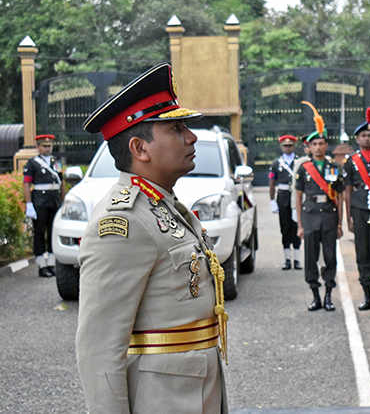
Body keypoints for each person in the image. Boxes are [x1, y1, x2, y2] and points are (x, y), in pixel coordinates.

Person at [75, 63, 228, 414]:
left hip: (194, 393)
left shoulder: (162, 204)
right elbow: (99, 347)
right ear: (139, 148)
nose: (191, 137)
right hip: (162, 400)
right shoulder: (122, 221)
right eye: (176, 128)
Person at [296, 102, 345, 311]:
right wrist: (300, 225)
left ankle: (328, 295)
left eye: (321, 143)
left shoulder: (334, 167)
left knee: (330, 257)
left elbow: (340, 197)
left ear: (326, 145)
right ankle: (315, 295)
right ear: (309, 147)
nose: (317, 147)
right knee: (311, 257)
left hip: (329, 217)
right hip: (310, 217)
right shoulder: (303, 169)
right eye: (314, 144)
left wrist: (340, 224)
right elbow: (298, 197)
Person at [343, 108, 370, 311]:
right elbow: (347, 191)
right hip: (359, 209)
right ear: (357, 139)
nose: (367, 138)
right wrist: (349, 217)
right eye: (363, 135)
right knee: (362, 252)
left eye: (369, 135)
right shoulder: (351, 161)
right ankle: (366, 296)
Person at [23, 134, 65, 277]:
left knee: (53, 232)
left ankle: (51, 264)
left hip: (54, 201)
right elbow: (26, 184)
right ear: (38, 147)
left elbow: (61, 182)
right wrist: (29, 204)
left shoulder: (56, 162)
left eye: (49, 146)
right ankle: (42, 265)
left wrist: (63, 201)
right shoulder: (32, 163)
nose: (47, 148)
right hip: (40, 202)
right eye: (44, 146)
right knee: (39, 233)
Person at [269, 134, 302, 270]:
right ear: (281, 147)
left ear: (294, 147)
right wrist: (272, 200)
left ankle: (297, 259)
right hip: (282, 197)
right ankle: (287, 259)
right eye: (285, 146)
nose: (288, 148)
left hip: (295, 197)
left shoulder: (299, 162)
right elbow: (272, 183)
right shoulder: (276, 163)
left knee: (297, 227)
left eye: (290, 145)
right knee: (285, 227)